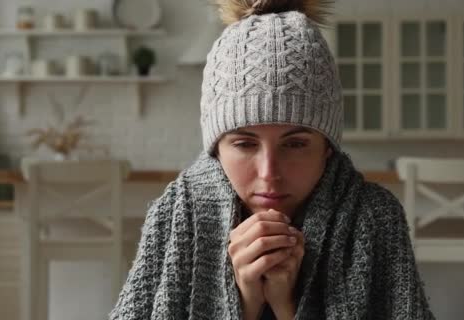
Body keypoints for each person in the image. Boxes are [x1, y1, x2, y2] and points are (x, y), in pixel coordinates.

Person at [109, 1, 435, 319]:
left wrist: (286, 305)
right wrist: (246, 302)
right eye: (244, 143)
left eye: (295, 144)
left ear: (328, 147)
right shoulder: (173, 215)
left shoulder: (376, 219)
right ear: (216, 149)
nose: (269, 173)